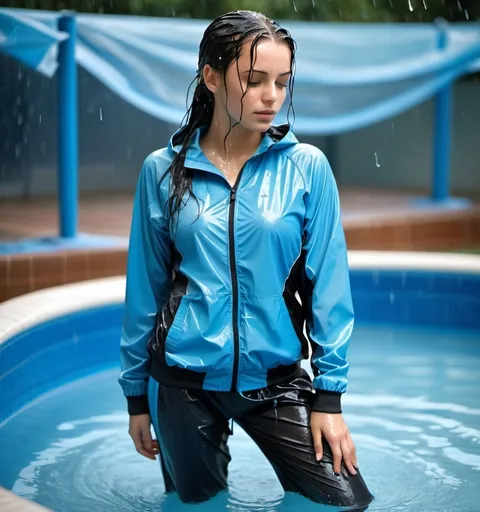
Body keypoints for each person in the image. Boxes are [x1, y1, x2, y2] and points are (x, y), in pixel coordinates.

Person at [118, 9, 374, 510]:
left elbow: (330, 288)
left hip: (275, 381)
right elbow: (143, 290)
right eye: (254, 80)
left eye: (282, 82)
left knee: (347, 501)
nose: (272, 96)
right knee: (198, 508)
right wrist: (134, 397)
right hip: (181, 382)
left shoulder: (307, 168)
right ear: (211, 77)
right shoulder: (162, 172)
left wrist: (329, 398)